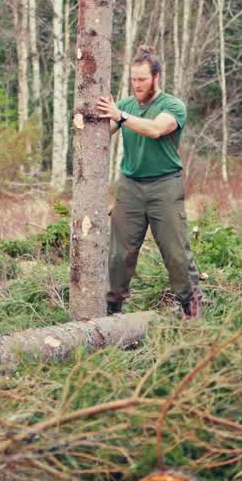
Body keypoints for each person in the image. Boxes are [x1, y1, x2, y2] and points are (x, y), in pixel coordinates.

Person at [96, 45, 205, 318]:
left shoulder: (172, 106)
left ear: (156, 77)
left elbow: (155, 129)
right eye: (133, 79)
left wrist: (119, 116)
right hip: (130, 186)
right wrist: (95, 118)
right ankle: (112, 311)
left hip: (164, 186)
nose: (137, 85)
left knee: (176, 253)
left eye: (142, 79)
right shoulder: (125, 106)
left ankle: (192, 308)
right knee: (120, 255)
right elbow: (103, 132)